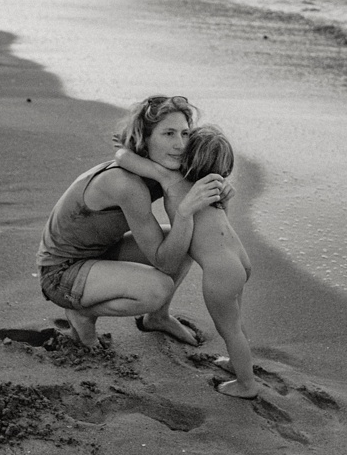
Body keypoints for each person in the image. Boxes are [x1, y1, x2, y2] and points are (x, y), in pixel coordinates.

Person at [36, 95, 227, 351]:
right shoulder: (127, 184)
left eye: (185, 133)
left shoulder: (159, 168)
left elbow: (125, 153)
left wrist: (222, 193)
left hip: (100, 252)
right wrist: (184, 213)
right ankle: (82, 312)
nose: (180, 144)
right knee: (157, 288)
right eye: (168, 133)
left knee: (187, 240)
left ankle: (158, 317)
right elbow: (165, 261)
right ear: (145, 139)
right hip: (61, 273)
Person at [115, 126, 269, 399]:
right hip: (238, 259)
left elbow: (123, 159)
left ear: (187, 156)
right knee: (235, 321)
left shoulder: (172, 179)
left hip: (220, 270)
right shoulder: (215, 186)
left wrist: (130, 143)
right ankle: (237, 364)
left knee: (229, 328)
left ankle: (247, 385)